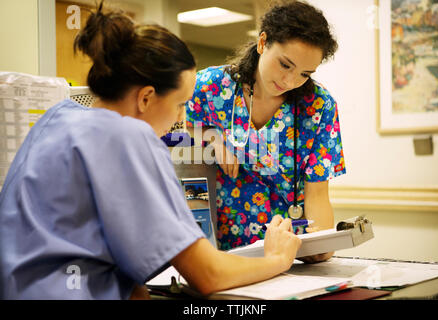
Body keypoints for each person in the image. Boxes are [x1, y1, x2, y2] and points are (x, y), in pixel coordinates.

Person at [0, 2, 301, 300]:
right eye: (181, 104)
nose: (181, 120)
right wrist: (277, 258)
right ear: (145, 98)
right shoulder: (130, 136)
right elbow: (208, 274)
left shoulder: (56, 118)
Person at [185, 1, 345, 261]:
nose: (290, 81)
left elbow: (317, 192)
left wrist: (321, 244)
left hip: (285, 252)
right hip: (218, 250)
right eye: (285, 65)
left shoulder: (318, 106)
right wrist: (214, 141)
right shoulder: (209, 87)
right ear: (262, 43)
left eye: (304, 73)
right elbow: (188, 126)